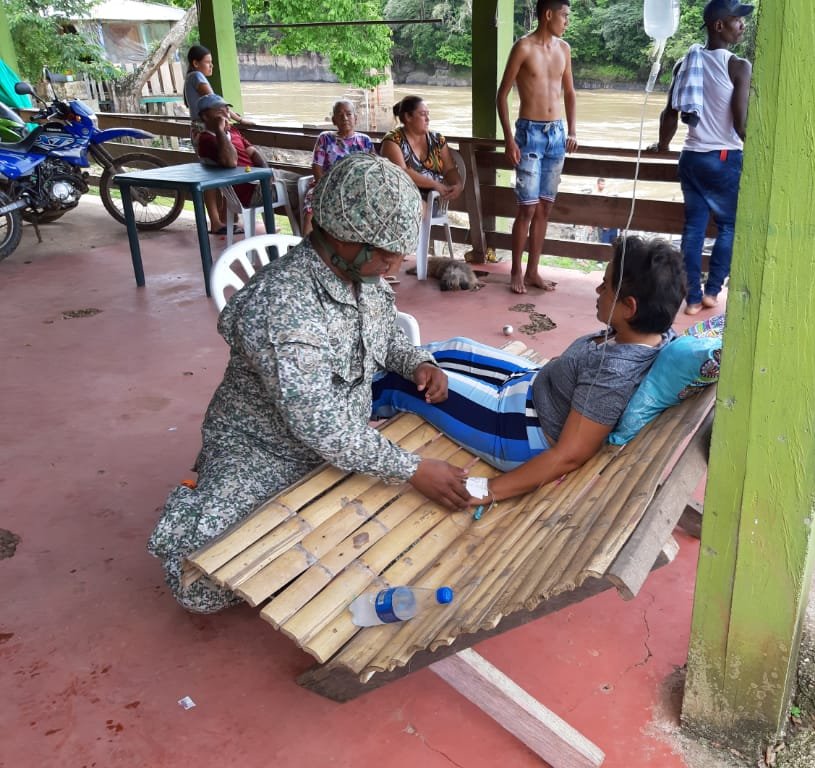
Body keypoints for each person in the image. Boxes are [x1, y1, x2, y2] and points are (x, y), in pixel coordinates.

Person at [147, 154, 471, 613]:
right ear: (341, 238)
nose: (395, 262)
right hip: (266, 448)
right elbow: (320, 426)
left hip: (341, 444)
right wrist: (411, 468)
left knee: (375, 540)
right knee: (200, 586)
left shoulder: (365, 274)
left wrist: (419, 361)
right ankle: (198, 498)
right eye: (386, 252)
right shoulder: (282, 306)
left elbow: (383, 337)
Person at [371, 236, 685, 504]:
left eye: (606, 285)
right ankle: (373, 359)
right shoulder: (649, 334)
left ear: (629, 307)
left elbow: (570, 454)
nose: (598, 290)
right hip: (532, 385)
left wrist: (488, 490)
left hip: (519, 429)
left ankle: (354, 405)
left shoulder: (613, 374)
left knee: (405, 384)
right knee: (450, 348)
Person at [653, 0, 753, 315]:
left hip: (691, 158)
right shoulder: (738, 66)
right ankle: (712, 292)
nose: (742, 25)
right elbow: (740, 124)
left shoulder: (686, 64)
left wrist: (662, 146)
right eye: (737, 19)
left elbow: (670, 113)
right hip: (723, 157)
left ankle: (692, 298)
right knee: (729, 225)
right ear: (718, 25)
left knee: (694, 229)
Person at [496, 0, 578, 294]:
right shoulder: (523, 47)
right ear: (548, 14)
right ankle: (516, 271)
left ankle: (533, 271)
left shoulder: (564, 49)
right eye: (564, 15)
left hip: (556, 134)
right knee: (526, 210)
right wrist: (508, 138)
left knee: (544, 208)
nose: (567, 21)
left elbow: (569, 92)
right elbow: (502, 94)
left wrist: (573, 131)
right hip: (528, 133)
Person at [194, 93, 300, 229]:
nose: (226, 113)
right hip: (249, 191)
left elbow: (254, 152)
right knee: (303, 192)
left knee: (307, 183)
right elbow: (231, 162)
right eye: (219, 110)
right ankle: (305, 238)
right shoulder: (206, 139)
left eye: (226, 109)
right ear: (205, 116)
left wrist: (266, 172)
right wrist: (219, 130)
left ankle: (303, 237)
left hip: (262, 178)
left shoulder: (233, 131)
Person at [183, 44, 248, 235]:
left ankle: (221, 219)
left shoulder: (189, 78)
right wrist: (240, 119)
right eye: (208, 63)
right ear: (195, 63)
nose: (211, 67)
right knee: (215, 174)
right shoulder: (196, 76)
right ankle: (218, 221)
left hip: (197, 129)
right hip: (207, 128)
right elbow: (215, 102)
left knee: (211, 174)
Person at [301, 99, 375, 235]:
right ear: (334, 120)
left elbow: (372, 170)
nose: (345, 118)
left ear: (356, 118)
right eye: (340, 115)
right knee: (310, 213)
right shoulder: (325, 138)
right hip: (325, 187)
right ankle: (304, 252)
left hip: (356, 189)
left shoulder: (365, 141)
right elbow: (317, 166)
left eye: (348, 114)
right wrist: (328, 188)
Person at [380, 95, 464, 203]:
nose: (428, 119)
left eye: (428, 114)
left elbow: (449, 169)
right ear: (408, 117)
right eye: (423, 114)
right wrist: (434, 184)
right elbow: (401, 172)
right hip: (402, 201)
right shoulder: (393, 141)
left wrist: (458, 184)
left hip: (436, 199)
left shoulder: (437, 139)